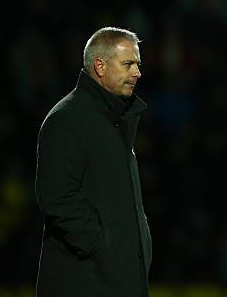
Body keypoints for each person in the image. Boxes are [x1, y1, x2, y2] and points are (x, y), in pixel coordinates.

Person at [35, 27, 151, 296]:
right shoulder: (67, 119)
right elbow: (56, 197)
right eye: (128, 64)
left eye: (137, 64)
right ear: (100, 66)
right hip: (86, 282)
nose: (137, 73)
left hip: (112, 279)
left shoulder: (115, 119)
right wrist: (101, 247)